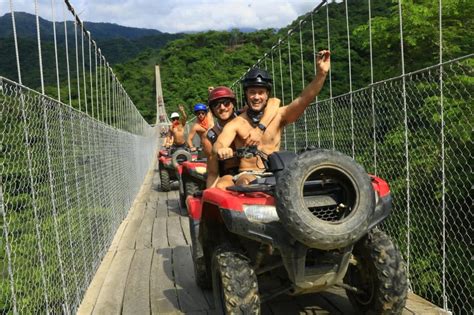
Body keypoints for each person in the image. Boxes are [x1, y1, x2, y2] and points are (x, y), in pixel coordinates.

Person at [213, 50, 331, 187]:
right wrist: (221, 149)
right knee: (244, 183)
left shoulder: (278, 116)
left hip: (277, 172)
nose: (256, 97)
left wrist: (321, 74)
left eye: (261, 92)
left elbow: (303, 99)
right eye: (252, 92)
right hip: (248, 174)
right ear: (246, 94)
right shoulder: (236, 123)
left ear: (267, 94)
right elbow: (219, 143)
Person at [205, 86, 281, 188]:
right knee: (222, 187)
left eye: (226, 103)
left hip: (256, 170)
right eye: (216, 105)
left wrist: (260, 128)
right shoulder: (210, 136)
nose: (222, 107)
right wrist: (210, 196)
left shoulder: (246, 116)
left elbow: (274, 102)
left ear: (233, 105)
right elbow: (213, 172)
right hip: (229, 174)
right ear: (212, 109)